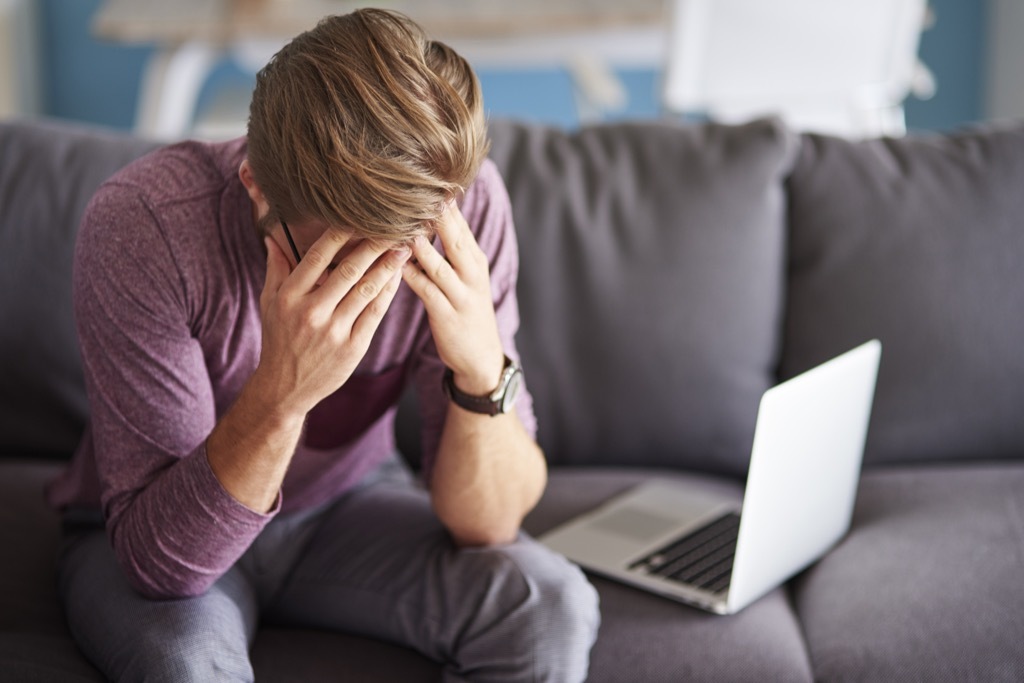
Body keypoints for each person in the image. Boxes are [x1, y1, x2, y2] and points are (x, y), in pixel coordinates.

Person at [47, 9, 600, 682]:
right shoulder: (145, 225)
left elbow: (488, 525)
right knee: (184, 663)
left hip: (347, 506)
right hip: (158, 531)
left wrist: (481, 368)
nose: (385, 282)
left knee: (551, 605)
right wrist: (282, 395)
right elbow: (165, 566)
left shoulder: (462, 206)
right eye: (348, 255)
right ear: (255, 188)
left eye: (405, 248)